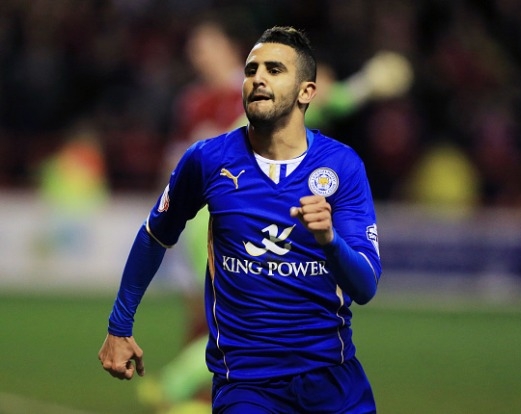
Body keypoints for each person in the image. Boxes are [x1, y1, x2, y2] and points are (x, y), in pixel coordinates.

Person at [98, 26, 382, 413]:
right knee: (199, 321)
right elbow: (154, 235)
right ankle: (175, 386)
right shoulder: (208, 159)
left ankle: (175, 385)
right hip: (246, 387)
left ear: (306, 92)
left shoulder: (342, 166)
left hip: (333, 381)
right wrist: (119, 327)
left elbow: (364, 287)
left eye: (274, 70)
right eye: (251, 70)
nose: (258, 78)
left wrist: (330, 240)